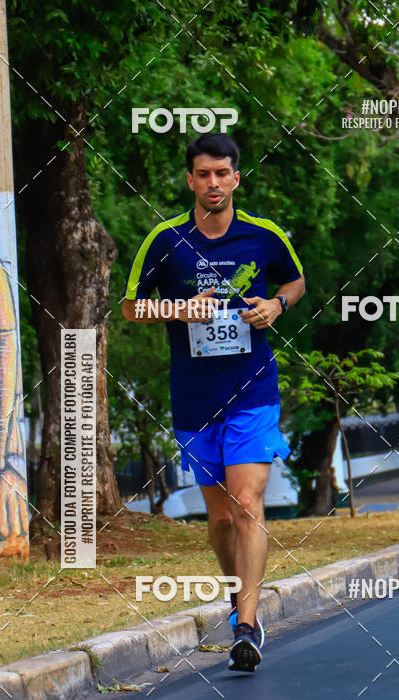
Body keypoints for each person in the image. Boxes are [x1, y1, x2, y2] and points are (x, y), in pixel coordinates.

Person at [122, 133, 305, 671]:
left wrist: (275, 304)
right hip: (195, 400)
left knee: (248, 504)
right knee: (221, 517)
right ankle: (236, 596)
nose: (213, 183)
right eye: (203, 174)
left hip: (253, 391)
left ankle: (246, 625)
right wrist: (179, 310)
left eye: (222, 173)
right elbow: (132, 308)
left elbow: (295, 282)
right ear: (190, 181)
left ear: (236, 177)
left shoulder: (262, 235)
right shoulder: (166, 240)